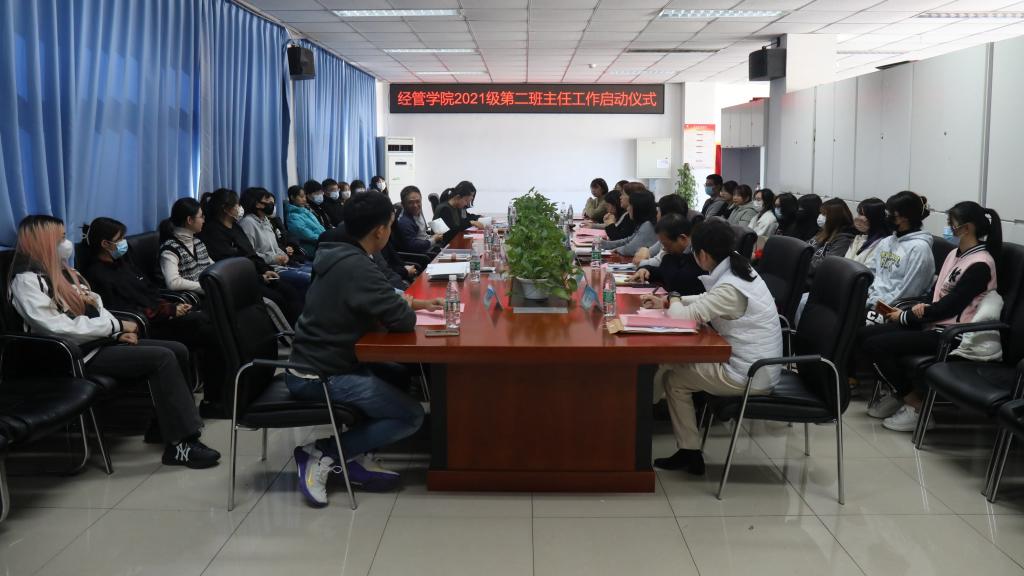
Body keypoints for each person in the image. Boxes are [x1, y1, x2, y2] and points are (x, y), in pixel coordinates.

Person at [9, 215, 220, 468]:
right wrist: (116, 327)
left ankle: (164, 426)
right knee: (163, 357)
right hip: (74, 355)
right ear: (43, 242)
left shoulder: (65, 273)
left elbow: (98, 308)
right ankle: (181, 444)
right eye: (61, 238)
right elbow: (56, 327)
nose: (66, 244)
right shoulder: (26, 282)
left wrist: (115, 333)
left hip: (97, 343)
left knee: (177, 349)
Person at [288, 191, 441, 506]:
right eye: (390, 224)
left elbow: (384, 297)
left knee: (398, 374)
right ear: (380, 231)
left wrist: (416, 302)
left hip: (317, 359)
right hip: (321, 374)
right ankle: (324, 453)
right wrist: (408, 307)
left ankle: (356, 452)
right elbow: (403, 320)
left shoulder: (340, 254)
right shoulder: (357, 267)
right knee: (410, 416)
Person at [642, 219, 782, 475]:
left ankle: (669, 440)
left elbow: (682, 318)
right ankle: (659, 430)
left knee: (673, 378)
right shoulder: (738, 267)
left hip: (750, 374)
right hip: (753, 364)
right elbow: (708, 299)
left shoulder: (731, 286)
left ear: (703, 255)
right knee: (669, 369)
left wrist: (674, 297)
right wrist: (671, 301)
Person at [860, 202, 1002, 431]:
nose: (948, 229)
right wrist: (918, 308)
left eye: (951, 224)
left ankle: (915, 405)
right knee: (864, 335)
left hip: (951, 335)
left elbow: (951, 306)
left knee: (876, 345)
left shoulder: (981, 264)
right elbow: (938, 294)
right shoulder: (955, 254)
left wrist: (906, 317)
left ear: (966, 228)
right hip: (933, 323)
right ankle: (899, 393)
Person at [81, 217, 229, 416]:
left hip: (160, 315)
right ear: (105, 244)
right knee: (205, 329)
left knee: (210, 323)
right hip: (145, 326)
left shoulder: (123, 262)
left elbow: (148, 290)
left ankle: (219, 396)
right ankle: (210, 402)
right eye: (120, 239)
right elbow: (123, 309)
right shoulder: (97, 274)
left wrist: (172, 306)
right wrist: (167, 311)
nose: (124, 243)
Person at [199, 188, 303, 325]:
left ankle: (298, 329)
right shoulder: (213, 232)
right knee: (277, 299)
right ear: (226, 208)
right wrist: (260, 277)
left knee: (290, 292)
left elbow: (251, 254)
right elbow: (230, 265)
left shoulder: (235, 227)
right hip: (239, 281)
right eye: (237, 205)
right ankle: (285, 332)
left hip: (256, 275)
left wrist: (265, 269)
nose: (240, 208)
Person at [864, 191, 935, 311]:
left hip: (892, 308)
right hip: (871, 301)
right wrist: (866, 295)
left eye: (891, 214)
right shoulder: (886, 241)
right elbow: (871, 271)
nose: (887, 217)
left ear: (905, 217)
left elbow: (909, 292)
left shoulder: (919, 249)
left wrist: (875, 305)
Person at [239, 187, 312, 293]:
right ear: (257, 204)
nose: (271, 204)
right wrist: (274, 258)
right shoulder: (248, 223)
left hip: (282, 265)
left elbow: (275, 247)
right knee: (308, 278)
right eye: (267, 200)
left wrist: (284, 255)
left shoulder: (265, 220)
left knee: (316, 271)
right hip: (269, 269)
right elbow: (251, 255)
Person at [630, 213, 705, 296]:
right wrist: (645, 269)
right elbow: (662, 272)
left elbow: (676, 285)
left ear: (682, 238)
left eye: (666, 245)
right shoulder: (681, 253)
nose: (664, 249)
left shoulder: (698, 255)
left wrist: (666, 257)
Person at [159, 198, 213, 296]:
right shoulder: (170, 249)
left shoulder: (198, 243)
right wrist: (205, 287)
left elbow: (212, 267)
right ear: (189, 220)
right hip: (193, 300)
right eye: (201, 216)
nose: (203, 220)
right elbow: (173, 283)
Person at [632, 194, 690, 267]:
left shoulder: (671, 236)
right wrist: (645, 250)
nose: (656, 215)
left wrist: (642, 259)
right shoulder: (668, 236)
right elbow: (650, 251)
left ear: (666, 216)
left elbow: (657, 261)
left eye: (658, 212)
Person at [807, 198, 856, 281]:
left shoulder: (844, 239)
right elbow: (806, 246)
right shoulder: (824, 231)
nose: (820, 217)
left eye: (824, 214)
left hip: (818, 280)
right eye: (820, 213)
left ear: (834, 218)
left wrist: (800, 265)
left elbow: (827, 264)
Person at [602, 189, 658, 257]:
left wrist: (617, 249)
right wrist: (603, 244)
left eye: (630, 206)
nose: (628, 209)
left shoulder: (648, 225)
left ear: (638, 208)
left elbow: (630, 249)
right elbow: (627, 240)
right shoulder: (643, 224)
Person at [394, 185, 444, 254]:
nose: (415, 205)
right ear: (403, 204)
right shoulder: (404, 222)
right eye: (410, 202)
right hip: (422, 255)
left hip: (429, 247)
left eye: (418, 201)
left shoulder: (417, 212)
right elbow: (413, 246)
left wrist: (432, 237)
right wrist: (434, 239)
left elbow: (422, 235)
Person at [844, 197, 889, 269]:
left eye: (862, 214)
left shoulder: (882, 243)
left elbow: (867, 269)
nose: (858, 218)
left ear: (874, 217)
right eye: (859, 213)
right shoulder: (859, 238)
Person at [286, 185, 327, 257]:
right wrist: (325, 239)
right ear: (292, 197)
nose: (304, 199)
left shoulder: (305, 211)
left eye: (305, 196)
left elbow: (319, 227)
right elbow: (307, 235)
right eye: (301, 197)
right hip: (312, 248)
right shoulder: (292, 216)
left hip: (321, 244)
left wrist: (327, 236)